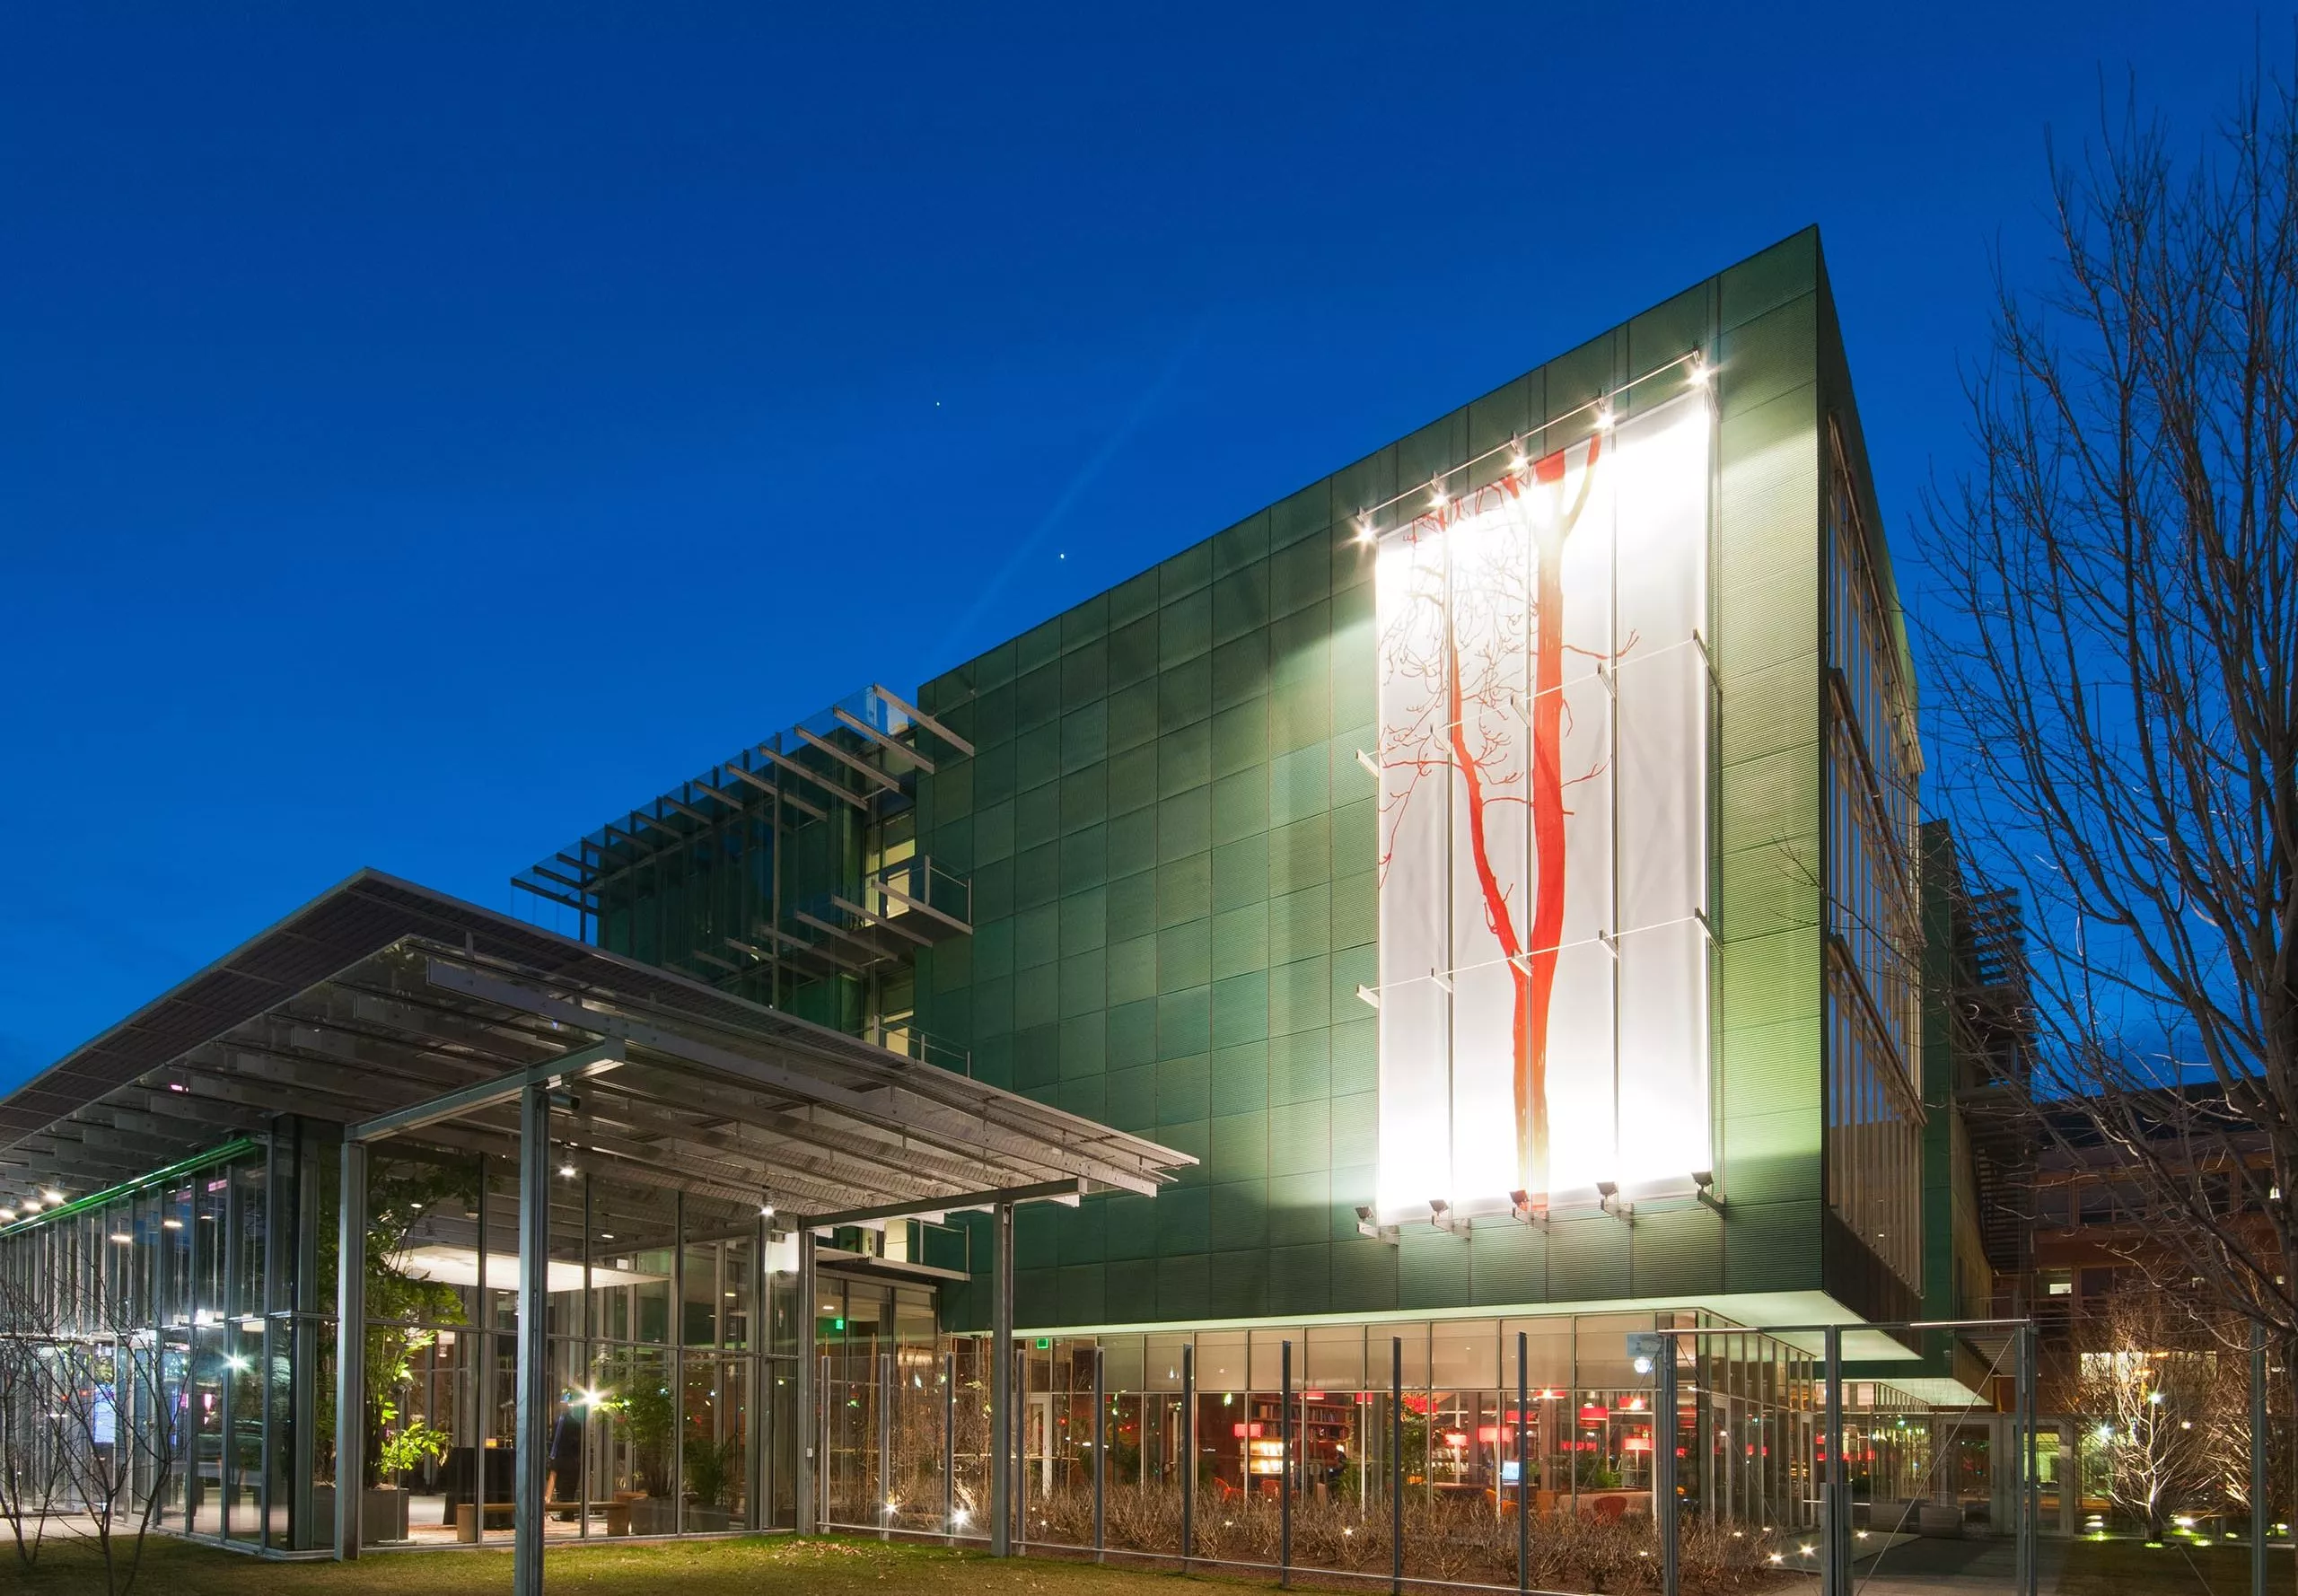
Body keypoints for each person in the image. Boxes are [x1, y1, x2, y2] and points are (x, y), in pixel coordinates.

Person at [549, 1396, 583, 1519]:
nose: (562, 1406)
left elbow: (576, 1443)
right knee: (561, 1487)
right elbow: (554, 1440)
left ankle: (567, 1514)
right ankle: (565, 1513)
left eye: (565, 1404)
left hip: (569, 1460)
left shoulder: (574, 1423)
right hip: (559, 1459)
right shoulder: (557, 1422)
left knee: (568, 1487)